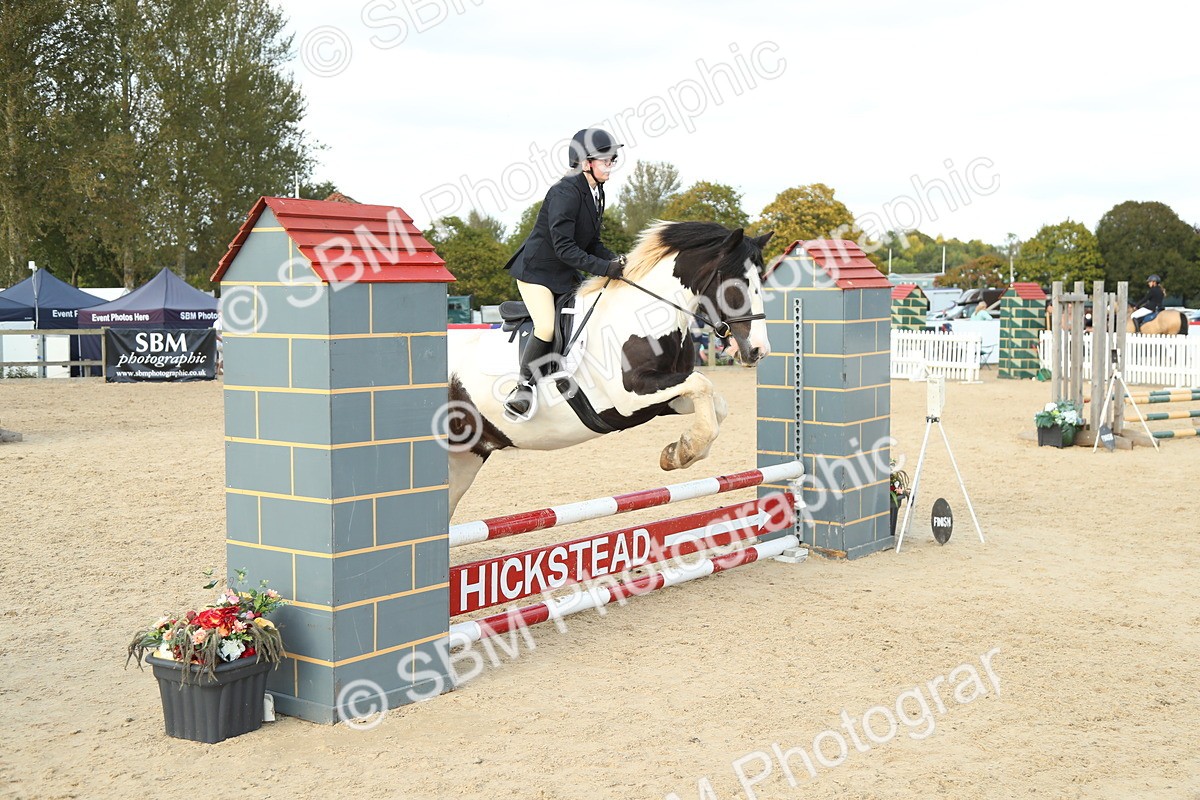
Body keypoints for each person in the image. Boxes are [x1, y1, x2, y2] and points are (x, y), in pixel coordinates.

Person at [501, 127, 627, 419]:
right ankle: (523, 387)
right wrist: (604, 269)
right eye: (605, 160)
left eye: (612, 160)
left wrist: (619, 260)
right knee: (545, 326)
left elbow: (592, 243)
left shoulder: (595, 191)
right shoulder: (564, 192)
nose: (611, 166)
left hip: (565, 275)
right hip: (537, 273)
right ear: (586, 163)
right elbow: (564, 248)